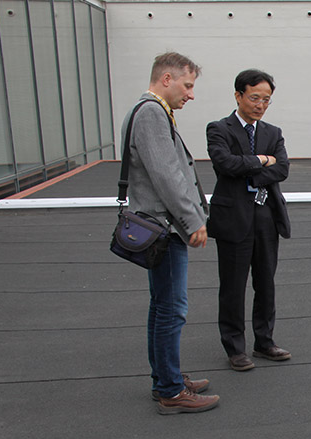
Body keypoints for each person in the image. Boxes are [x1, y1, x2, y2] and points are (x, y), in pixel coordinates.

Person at [122, 52, 219, 415]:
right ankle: (170, 389)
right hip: (165, 228)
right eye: (188, 85)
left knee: (162, 305)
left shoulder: (147, 111)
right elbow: (167, 174)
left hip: (158, 226)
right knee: (171, 309)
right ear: (166, 79)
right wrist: (193, 219)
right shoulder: (151, 113)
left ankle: (167, 378)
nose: (191, 94)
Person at [206, 69, 291, 371]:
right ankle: (234, 347)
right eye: (255, 98)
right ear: (238, 95)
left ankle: (265, 341)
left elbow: (281, 169)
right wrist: (260, 161)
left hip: (266, 218)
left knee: (265, 283)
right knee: (233, 286)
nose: (260, 105)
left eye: (266, 100)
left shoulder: (272, 132)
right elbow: (224, 164)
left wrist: (251, 168)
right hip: (233, 220)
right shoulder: (219, 129)